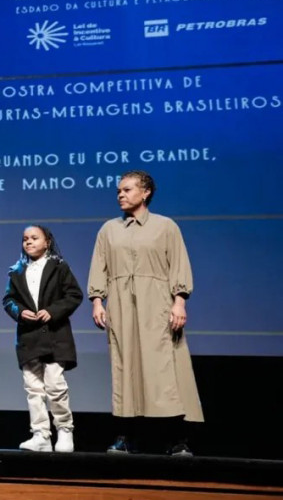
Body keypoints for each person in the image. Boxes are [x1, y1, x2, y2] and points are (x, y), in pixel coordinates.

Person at [88, 170, 203, 456]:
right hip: (122, 306)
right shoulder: (109, 230)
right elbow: (99, 267)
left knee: (165, 369)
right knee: (125, 369)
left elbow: (178, 264)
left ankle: (177, 439)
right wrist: (98, 301)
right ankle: (126, 437)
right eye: (118, 191)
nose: (120, 195)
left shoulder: (166, 227)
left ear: (146, 192)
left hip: (158, 305)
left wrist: (179, 302)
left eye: (127, 190)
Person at [2, 225, 82, 453]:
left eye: (34, 238)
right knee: (33, 389)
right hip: (29, 338)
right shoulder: (16, 271)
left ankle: (65, 430)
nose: (28, 242)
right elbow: (8, 300)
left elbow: (74, 295)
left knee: (55, 386)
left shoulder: (58, 266)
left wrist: (53, 311)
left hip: (55, 336)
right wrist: (19, 312)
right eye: (25, 239)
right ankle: (41, 435)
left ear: (47, 242)